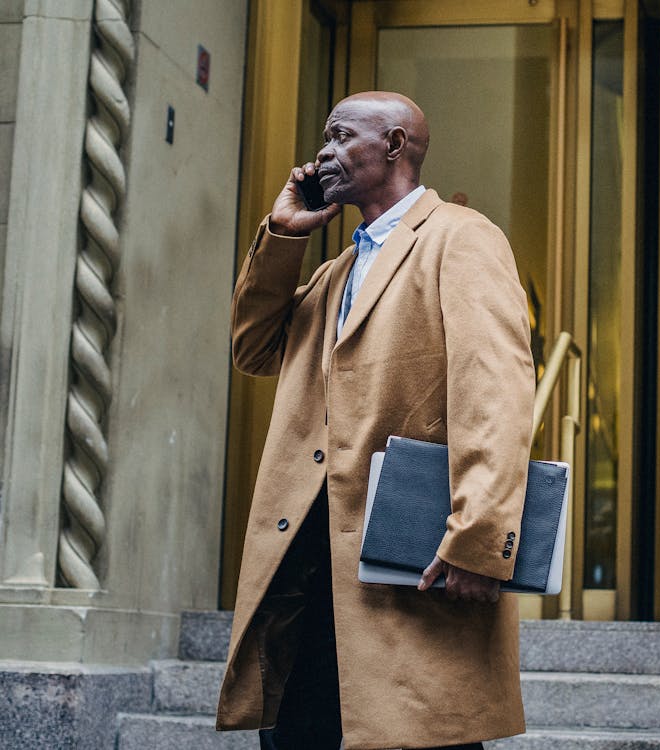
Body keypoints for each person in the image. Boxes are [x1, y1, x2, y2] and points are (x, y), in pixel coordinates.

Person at [215, 91, 535, 750]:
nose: (321, 154)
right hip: (308, 572)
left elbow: (495, 392)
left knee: (414, 734)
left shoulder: (461, 237)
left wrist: (478, 537)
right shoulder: (338, 269)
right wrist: (282, 236)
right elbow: (253, 349)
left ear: (394, 144)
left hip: (410, 565)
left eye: (338, 136)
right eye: (323, 139)